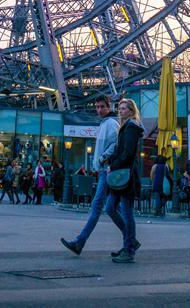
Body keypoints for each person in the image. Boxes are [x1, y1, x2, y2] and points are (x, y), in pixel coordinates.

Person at [61, 95, 128, 256]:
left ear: (109, 106)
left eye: (102, 107)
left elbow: (116, 144)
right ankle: (130, 238)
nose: (99, 110)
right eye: (97, 107)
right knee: (112, 208)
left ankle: (79, 242)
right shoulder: (106, 123)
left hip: (107, 170)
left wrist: (102, 158)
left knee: (97, 206)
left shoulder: (111, 123)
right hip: (104, 170)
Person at [105, 97, 144, 263]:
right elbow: (123, 151)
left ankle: (129, 249)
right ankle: (130, 241)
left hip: (125, 175)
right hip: (122, 174)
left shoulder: (131, 127)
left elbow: (127, 153)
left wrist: (113, 165)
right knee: (111, 208)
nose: (120, 111)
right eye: (119, 108)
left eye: (124, 108)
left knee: (126, 213)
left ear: (131, 111)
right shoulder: (127, 127)